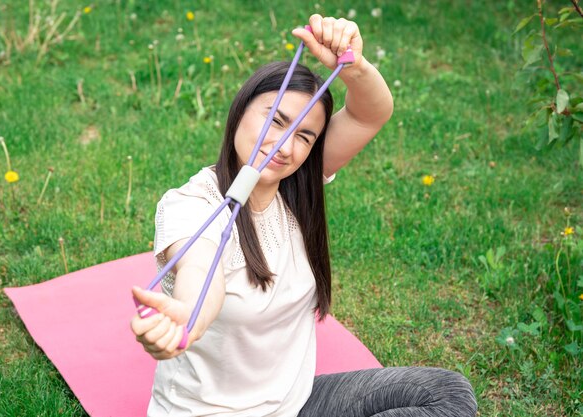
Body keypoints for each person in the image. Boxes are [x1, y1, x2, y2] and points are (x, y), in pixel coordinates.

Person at [131, 14, 477, 417]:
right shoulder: (191, 205)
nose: (284, 146)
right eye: (275, 120)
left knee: (447, 393)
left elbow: (371, 114)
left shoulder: (297, 186)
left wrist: (355, 66)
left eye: (304, 135)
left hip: (295, 404)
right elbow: (200, 272)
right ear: (241, 109)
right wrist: (186, 318)